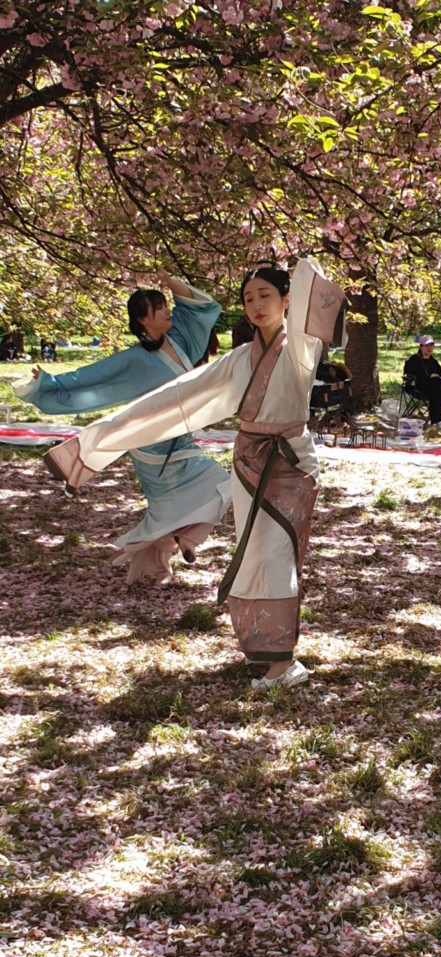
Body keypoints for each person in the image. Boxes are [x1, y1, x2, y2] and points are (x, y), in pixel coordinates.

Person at [40, 258, 347, 692]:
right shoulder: (242, 358)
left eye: (266, 295)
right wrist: (94, 444)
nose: (256, 305)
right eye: (248, 298)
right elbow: (176, 399)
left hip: (290, 464)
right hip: (249, 461)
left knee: (276, 555)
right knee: (255, 551)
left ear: (286, 301)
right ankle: (262, 649)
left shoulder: (300, 345)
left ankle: (280, 661)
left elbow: (310, 281)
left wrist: (294, 271)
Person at [14, 270, 231, 584]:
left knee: (216, 486)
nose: (168, 310)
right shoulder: (132, 361)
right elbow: (90, 379)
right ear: (144, 319)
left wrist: (171, 283)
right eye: (159, 307)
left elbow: (205, 307)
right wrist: (48, 384)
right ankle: (180, 544)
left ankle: (164, 557)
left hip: (181, 441)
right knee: (199, 492)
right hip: (151, 448)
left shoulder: (181, 338)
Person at [404, 335, 441, 429]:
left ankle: (438, 422)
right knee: (436, 384)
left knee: (436, 388)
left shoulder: (433, 361)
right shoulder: (414, 359)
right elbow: (411, 375)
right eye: (427, 345)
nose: (429, 348)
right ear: (421, 347)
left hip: (434, 388)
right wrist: (428, 377)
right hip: (418, 386)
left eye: (431, 345)